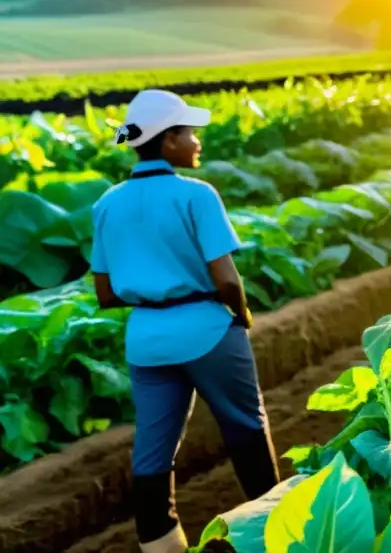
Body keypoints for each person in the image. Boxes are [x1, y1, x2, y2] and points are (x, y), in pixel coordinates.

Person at [90, 90, 279, 553]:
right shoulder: (196, 194)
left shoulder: (107, 203)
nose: (197, 141)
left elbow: (105, 292)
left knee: (153, 453)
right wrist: (241, 314)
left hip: (146, 339)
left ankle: (161, 547)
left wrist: (151, 287)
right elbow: (226, 278)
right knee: (246, 431)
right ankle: (277, 534)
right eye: (190, 133)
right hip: (206, 329)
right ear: (168, 140)